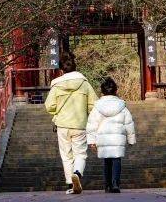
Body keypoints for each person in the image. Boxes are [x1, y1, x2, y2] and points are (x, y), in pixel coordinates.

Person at [45, 52, 98, 194]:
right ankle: (78, 174)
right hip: (80, 124)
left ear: (61, 70)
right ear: (75, 66)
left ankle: (70, 184)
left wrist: (58, 112)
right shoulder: (84, 84)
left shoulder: (56, 86)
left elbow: (49, 105)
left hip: (62, 125)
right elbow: (93, 105)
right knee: (80, 153)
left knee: (66, 155)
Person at [86, 77, 136, 193]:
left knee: (107, 161)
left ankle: (107, 185)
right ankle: (115, 184)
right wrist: (131, 139)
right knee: (116, 160)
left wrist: (91, 141)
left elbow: (92, 124)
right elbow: (129, 123)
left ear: (102, 92)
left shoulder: (97, 107)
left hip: (103, 138)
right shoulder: (122, 107)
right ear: (115, 91)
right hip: (117, 138)